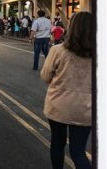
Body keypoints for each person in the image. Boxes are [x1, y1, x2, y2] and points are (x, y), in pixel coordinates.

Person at [40, 12, 92, 169]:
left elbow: (45, 76)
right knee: (78, 151)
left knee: (57, 143)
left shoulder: (58, 50)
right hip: (86, 108)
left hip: (59, 106)